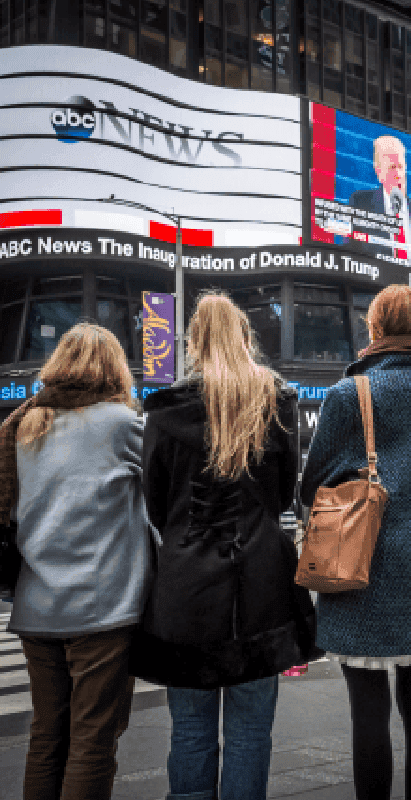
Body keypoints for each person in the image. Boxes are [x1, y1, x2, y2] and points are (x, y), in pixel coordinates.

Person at [132, 293, 318, 800]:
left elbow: (156, 502)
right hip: (259, 587)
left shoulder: (166, 413)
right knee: (252, 730)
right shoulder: (275, 402)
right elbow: (285, 493)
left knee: (189, 730)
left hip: (184, 586)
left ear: (192, 342)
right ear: (244, 339)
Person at [300, 285, 411, 800]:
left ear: (374, 330)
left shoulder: (350, 395)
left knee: (368, 709)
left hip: (359, 563)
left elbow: (311, 485)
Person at [0, 323, 152, 800]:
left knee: (46, 737)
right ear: (113, 368)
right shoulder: (122, 423)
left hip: (37, 604)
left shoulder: (26, 424)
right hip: (101, 608)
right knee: (92, 741)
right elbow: (161, 503)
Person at [350, 135, 411, 268]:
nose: (398, 174)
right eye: (392, 167)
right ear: (378, 172)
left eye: (400, 166)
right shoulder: (361, 203)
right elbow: (351, 253)